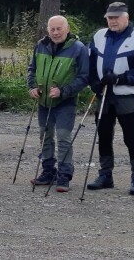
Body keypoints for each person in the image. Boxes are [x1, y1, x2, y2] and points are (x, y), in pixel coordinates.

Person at [87, 2, 134, 195]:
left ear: (126, 17)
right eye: (110, 17)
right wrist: (94, 82)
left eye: (117, 17)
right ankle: (105, 175)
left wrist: (119, 78)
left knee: (131, 137)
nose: (113, 21)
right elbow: (91, 63)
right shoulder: (99, 36)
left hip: (127, 95)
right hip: (104, 95)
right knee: (104, 136)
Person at [26, 15, 89, 192]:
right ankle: (48, 172)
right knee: (44, 136)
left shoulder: (78, 48)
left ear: (67, 29)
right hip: (43, 101)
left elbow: (84, 77)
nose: (55, 32)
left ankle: (64, 175)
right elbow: (32, 69)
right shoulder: (40, 45)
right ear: (48, 30)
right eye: (52, 29)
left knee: (63, 138)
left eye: (59, 28)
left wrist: (64, 91)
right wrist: (31, 87)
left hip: (65, 102)